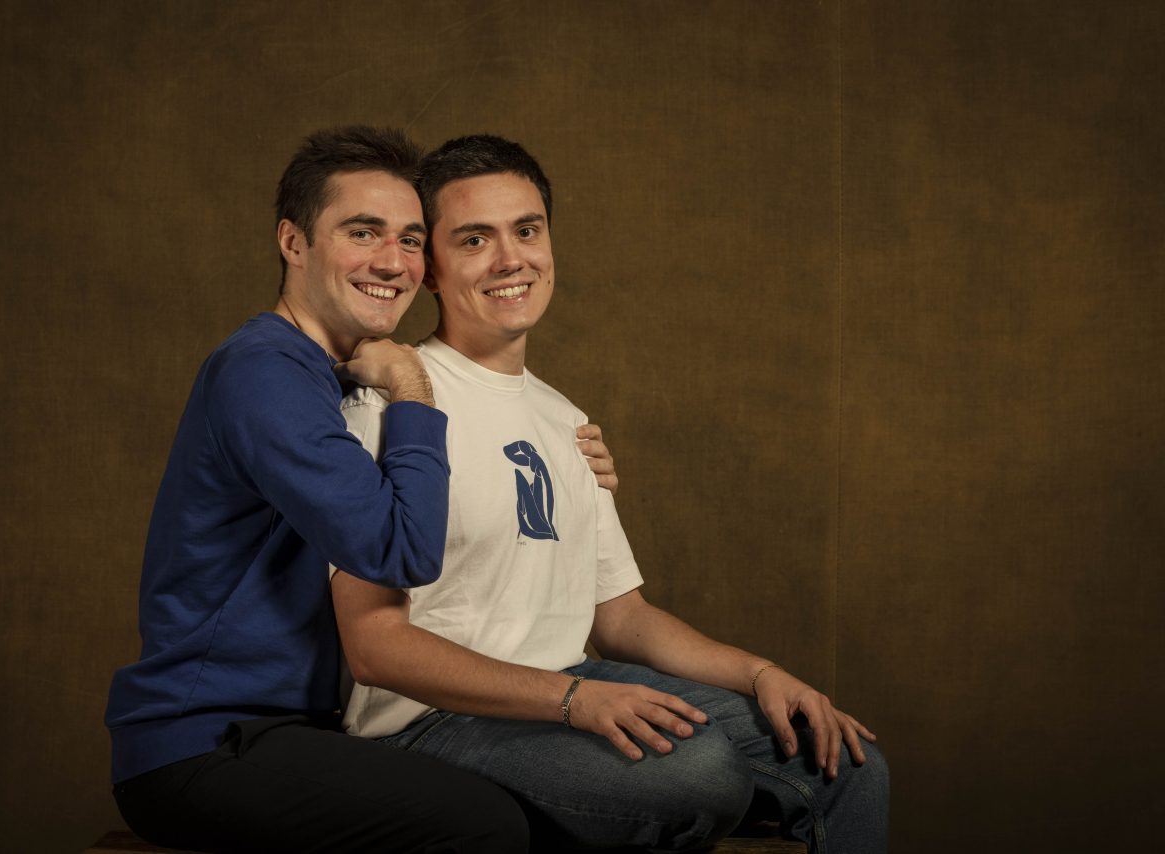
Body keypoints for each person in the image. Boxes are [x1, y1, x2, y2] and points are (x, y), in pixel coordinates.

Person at [331, 135, 890, 853]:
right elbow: (377, 649)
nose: (510, 259)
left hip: (571, 684)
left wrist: (762, 674)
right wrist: (574, 701)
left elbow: (622, 616)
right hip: (432, 721)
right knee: (700, 775)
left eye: (527, 230)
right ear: (430, 268)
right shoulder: (392, 404)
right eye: (474, 239)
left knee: (843, 760)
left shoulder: (566, 420)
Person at [103, 126, 613, 854]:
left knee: (537, 802)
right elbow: (401, 552)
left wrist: (566, 460)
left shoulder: (334, 380)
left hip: (306, 730)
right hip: (208, 740)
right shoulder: (264, 372)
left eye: (411, 240)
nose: (392, 261)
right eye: (362, 232)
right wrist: (411, 384)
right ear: (294, 242)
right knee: (487, 825)